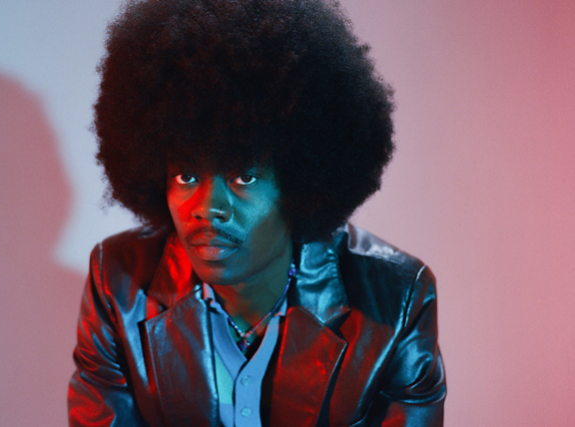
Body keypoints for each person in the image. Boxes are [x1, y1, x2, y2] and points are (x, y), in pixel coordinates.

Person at [68, 0, 446, 425]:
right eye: (186, 177)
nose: (207, 209)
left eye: (243, 178)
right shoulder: (117, 283)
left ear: (302, 181)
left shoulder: (396, 300)